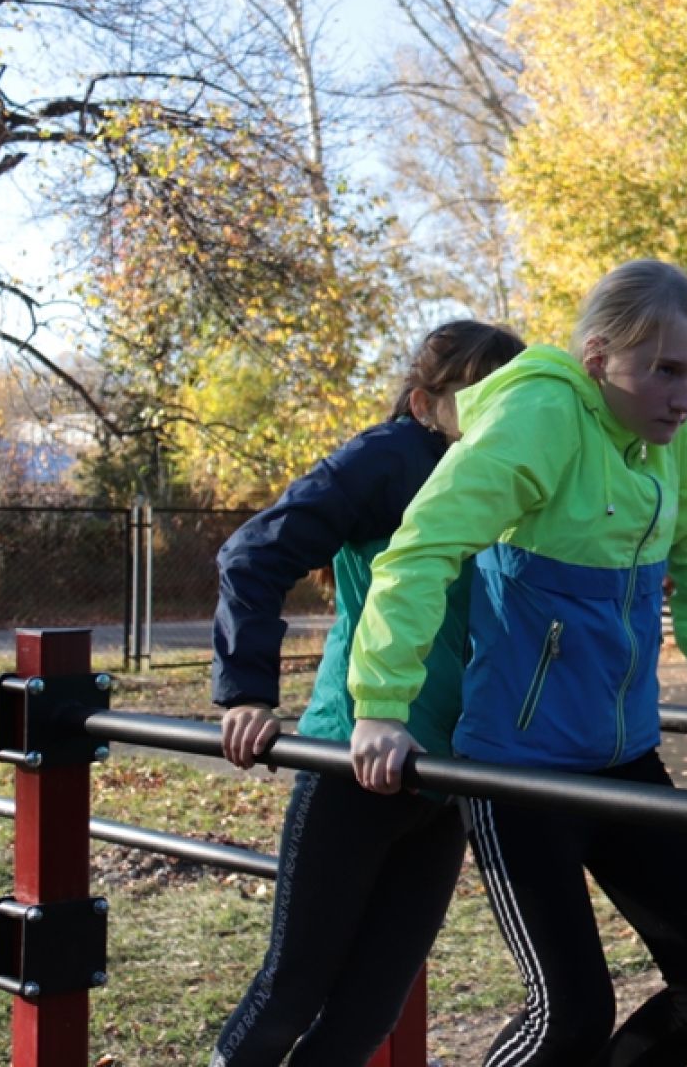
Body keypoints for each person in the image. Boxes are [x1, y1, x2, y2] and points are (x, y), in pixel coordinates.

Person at [348, 258, 687, 1066]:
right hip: (520, 770)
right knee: (570, 1013)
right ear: (595, 359)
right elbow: (420, 550)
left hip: (621, 759)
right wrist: (381, 704)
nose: (685, 399)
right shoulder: (541, 416)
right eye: (663, 372)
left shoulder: (674, 444)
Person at [208, 319, 525, 1067]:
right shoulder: (392, 457)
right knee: (292, 990)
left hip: (449, 773)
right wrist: (246, 692)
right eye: (480, 394)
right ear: (424, 402)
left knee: (367, 1011)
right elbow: (251, 555)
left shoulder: (511, 473)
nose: (499, 411)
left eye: (513, 395)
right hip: (355, 753)